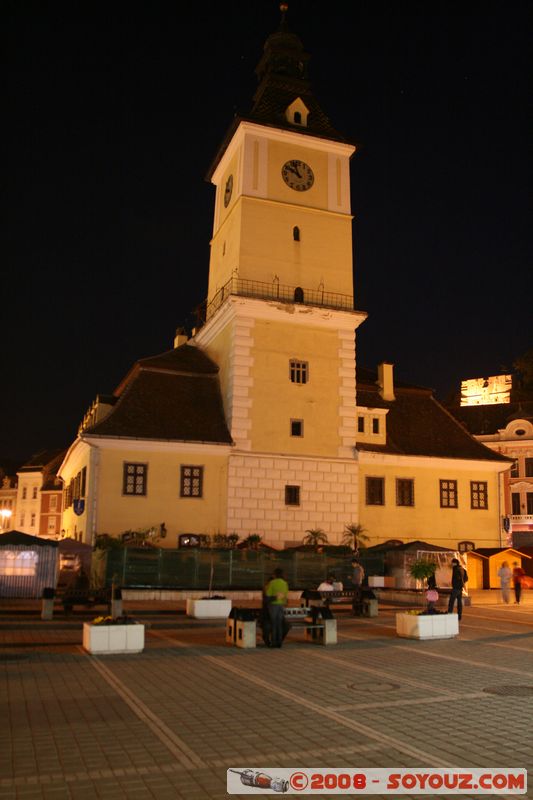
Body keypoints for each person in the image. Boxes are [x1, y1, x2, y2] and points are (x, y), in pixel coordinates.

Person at [265, 568, 289, 648]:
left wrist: (275, 597)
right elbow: (285, 596)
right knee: (279, 624)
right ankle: (279, 642)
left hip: (273, 605)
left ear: (275, 574)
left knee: (274, 624)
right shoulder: (285, 583)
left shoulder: (272, 583)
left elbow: (268, 595)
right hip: (281, 605)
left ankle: (274, 642)